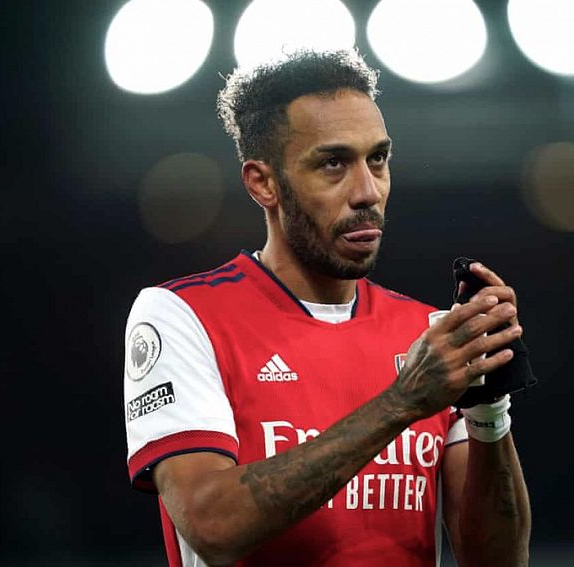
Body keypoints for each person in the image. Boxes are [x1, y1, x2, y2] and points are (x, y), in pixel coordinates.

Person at [123, 49, 531, 567]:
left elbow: (498, 561)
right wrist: (403, 401)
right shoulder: (182, 316)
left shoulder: (426, 336)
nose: (368, 192)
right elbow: (214, 525)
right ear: (263, 183)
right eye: (333, 163)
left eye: (377, 159)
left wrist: (488, 411)